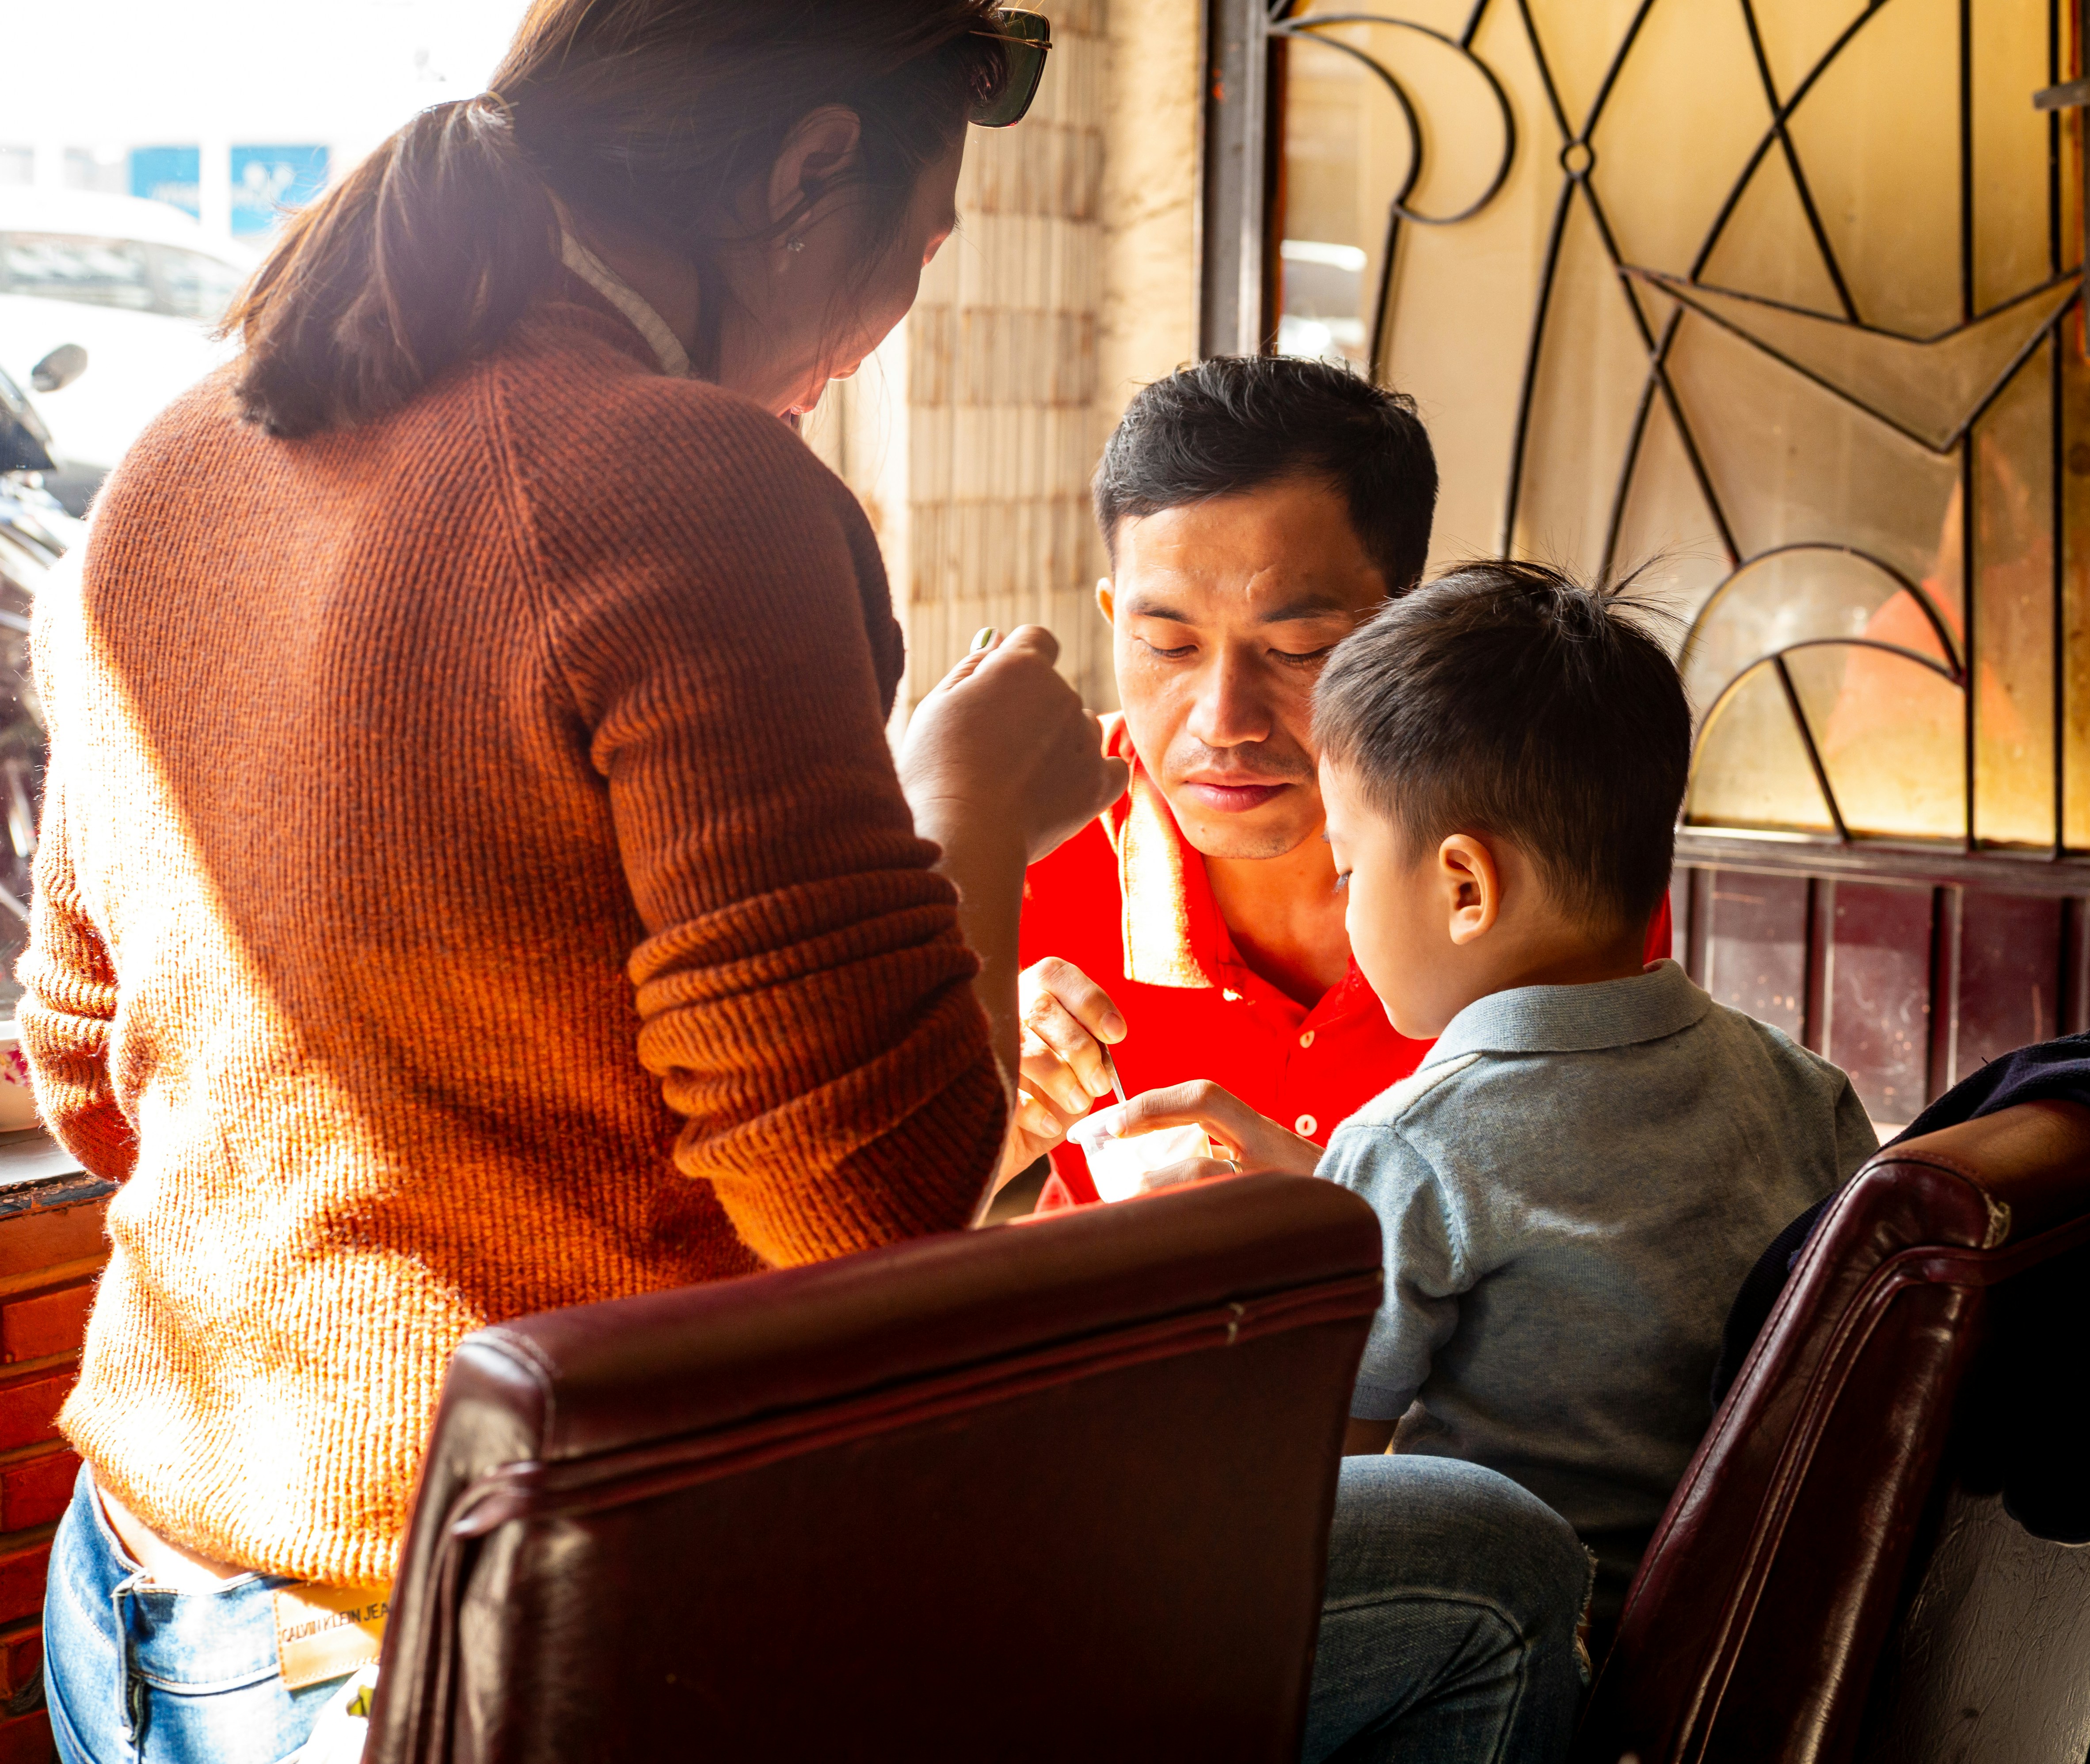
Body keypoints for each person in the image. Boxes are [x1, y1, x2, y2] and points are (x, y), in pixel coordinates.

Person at [22, 7, 1586, 1760]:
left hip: (142, 1598)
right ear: (811, 166)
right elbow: (868, 1220)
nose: (887, 324)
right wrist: (967, 800)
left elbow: (89, 1082)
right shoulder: (692, 486)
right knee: (1494, 1571)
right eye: (921, 247)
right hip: (498, 1621)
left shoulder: (173, 463)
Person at [1089, 562, 1877, 1631]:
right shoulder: (1804, 1087)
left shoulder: (1415, 1143)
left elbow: (1322, 1486)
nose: (1347, 902)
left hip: (1509, 1661)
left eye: (1352, 867)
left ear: (1466, 888)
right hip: (1728, 1638)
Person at [1006, 358, 1665, 1202]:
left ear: (1406, 624)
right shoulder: (1032, 837)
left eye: (1299, 649)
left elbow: (1618, 1237)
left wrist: (1348, 1213)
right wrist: (970, 1111)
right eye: (1168, 646)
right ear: (1112, 621)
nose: (1222, 720)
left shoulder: (1550, 838)